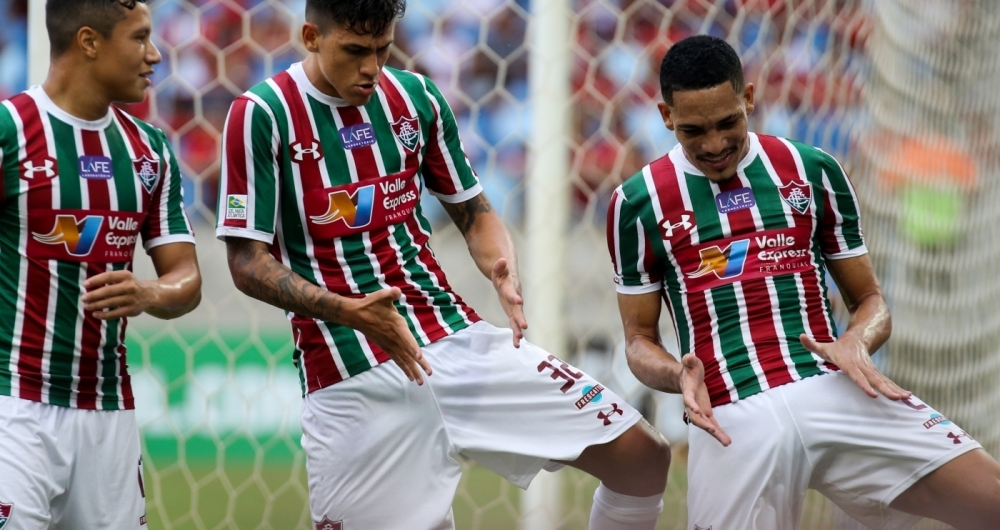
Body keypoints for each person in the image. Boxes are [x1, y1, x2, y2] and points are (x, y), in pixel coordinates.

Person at [216, 1, 671, 528]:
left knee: (641, 456)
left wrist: (501, 265)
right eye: (355, 51)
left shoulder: (416, 98)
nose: (372, 68)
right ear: (312, 36)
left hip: (454, 340)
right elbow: (246, 262)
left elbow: (475, 212)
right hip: (351, 375)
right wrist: (348, 309)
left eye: (383, 49)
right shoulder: (262, 113)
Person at [607, 34, 1000, 530]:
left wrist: (856, 340)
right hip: (731, 412)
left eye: (728, 122)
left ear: (749, 97)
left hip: (834, 387)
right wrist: (678, 375)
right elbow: (639, 341)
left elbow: (870, 300)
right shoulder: (636, 202)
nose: (714, 144)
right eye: (693, 130)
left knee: (990, 500)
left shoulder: (813, 170)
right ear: (666, 116)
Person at [0, 0, 202, 528]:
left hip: (109, 409)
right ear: (89, 42)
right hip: (13, 405)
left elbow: (186, 276)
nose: (155, 55)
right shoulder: (9, 132)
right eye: (139, 38)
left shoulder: (149, 151)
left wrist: (151, 293)